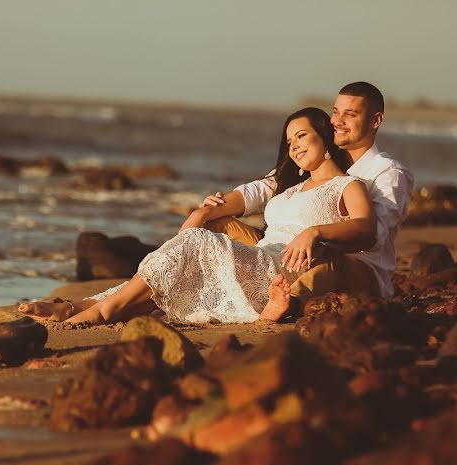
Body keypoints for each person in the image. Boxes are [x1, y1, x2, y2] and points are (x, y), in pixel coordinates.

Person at [20, 107, 376, 325]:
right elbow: (247, 195)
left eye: (302, 136)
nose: (295, 146)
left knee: (194, 243)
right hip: (258, 258)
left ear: (325, 139)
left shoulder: (347, 186)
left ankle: (101, 311)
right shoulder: (286, 187)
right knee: (181, 263)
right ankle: (82, 307)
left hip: (280, 271)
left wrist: (314, 232)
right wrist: (207, 209)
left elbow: (366, 229)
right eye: (289, 141)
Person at [201, 81, 414, 299]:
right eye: (335, 112)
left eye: (349, 114)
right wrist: (214, 207)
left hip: (351, 267)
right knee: (214, 227)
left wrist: (315, 235)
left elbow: (373, 236)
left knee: (328, 265)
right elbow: (266, 187)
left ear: (375, 120)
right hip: (291, 250)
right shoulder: (318, 156)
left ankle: (284, 301)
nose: (337, 121)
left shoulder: (388, 172)